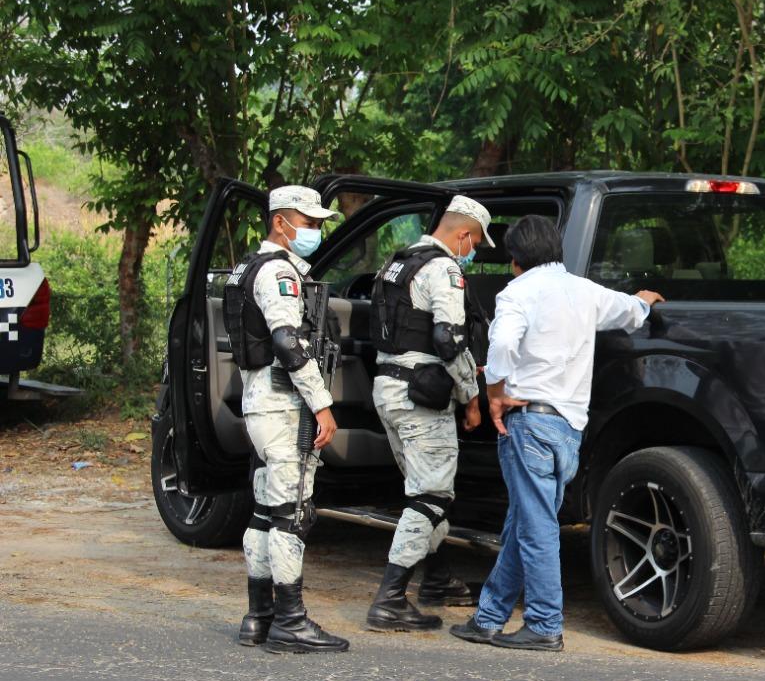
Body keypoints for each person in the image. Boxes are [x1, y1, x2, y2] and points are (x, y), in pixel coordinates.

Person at [450, 215, 664, 651]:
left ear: (515, 260)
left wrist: (495, 392)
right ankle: (489, 618)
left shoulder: (517, 293)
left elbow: (504, 345)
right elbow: (629, 311)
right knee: (524, 521)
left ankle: (545, 624)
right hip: (569, 430)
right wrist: (644, 301)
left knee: (537, 527)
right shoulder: (584, 291)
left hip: (529, 425)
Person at [226, 185, 347, 653]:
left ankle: (259, 617)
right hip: (282, 404)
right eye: (310, 222)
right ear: (281, 222)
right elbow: (286, 342)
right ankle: (291, 621)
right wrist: (321, 403)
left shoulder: (247, 268)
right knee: (293, 513)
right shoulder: (278, 272)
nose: (315, 231)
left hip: (260, 401)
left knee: (264, 511)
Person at [365, 196, 486, 631]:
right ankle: (390, 598)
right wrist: (472, 395)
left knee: (422, 492)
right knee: (432, 495)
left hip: (388, 387)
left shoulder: (397, 263)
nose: (472, 253)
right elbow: (449, 340)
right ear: (464, 235)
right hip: (421, 395)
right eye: (475, 244)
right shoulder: (444, 269)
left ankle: (438, 578)